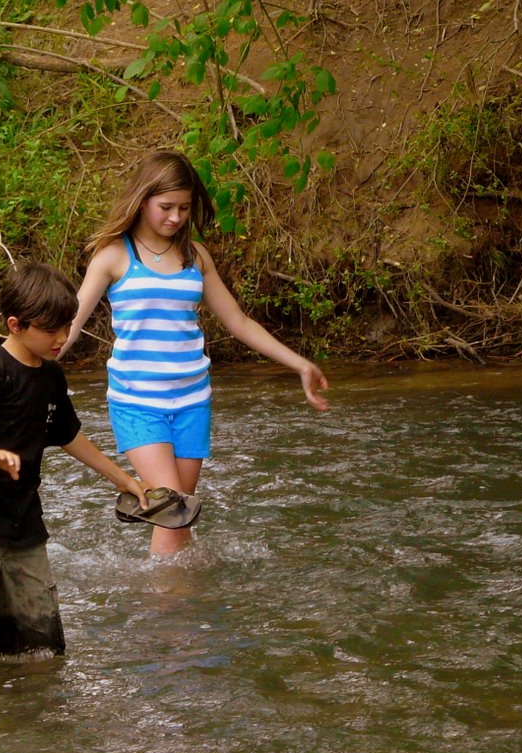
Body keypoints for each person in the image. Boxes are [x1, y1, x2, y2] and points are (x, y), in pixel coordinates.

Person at [61, 150, 330, 555]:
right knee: (172, 509)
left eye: (184, 208)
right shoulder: (114, 255)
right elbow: (72, 322)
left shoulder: (195, 257)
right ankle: (169, 607)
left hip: (192, 401)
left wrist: (300, 364)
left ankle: (171, 600)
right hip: (137, 401)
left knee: (180, 513)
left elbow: (238, 322)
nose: (175, 217)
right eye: (166, 207)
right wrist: (24, 364)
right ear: (142, 199)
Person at [0, 262, 147, 669]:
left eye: (68, 326)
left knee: (39, 649)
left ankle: (28, 720)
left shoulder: (51, 377)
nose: (63, 338)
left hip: (23, 521)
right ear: (16, 324)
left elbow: (68, 435)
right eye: (52, 329)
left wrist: (124, 479)